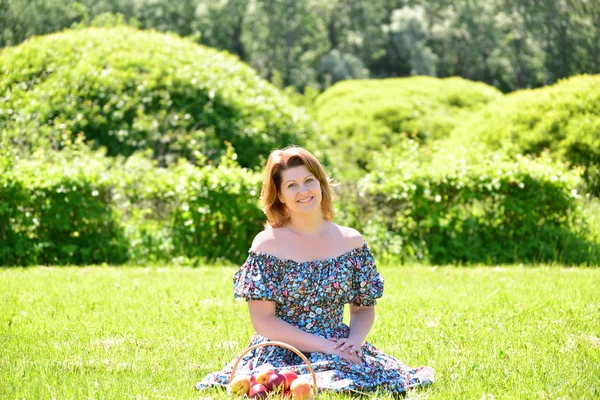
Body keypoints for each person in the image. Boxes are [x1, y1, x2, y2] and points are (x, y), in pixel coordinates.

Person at [196, 146, 434, 394]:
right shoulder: (267, 244)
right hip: (282, 350)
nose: (303, 190)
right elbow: (263, 321)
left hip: (338, 344)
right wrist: (324, 347)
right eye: (292, 185)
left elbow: (363, 308)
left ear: (321, 184)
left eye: (309, 180)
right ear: (280, 195)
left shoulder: (352, 241)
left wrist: (352, 343)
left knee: (362, 383)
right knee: (293, 386)